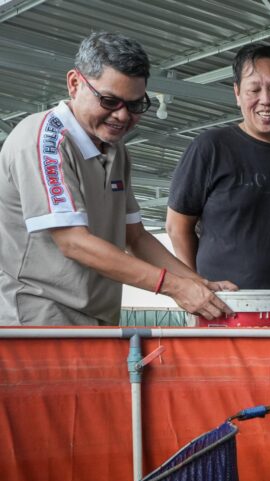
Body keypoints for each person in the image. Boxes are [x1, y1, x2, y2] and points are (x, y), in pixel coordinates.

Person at [0, 32, 234, 326]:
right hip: (40, 317)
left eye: (135, 105)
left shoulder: (115, 149)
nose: (122, 117)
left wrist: (200, 285)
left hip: (98, 318)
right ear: (74, 83)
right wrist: (173, 287)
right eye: (109, 101)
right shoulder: (45, 142)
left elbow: (134, 236)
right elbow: (73, 242)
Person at [166, 44, 270, 327]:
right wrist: (197, 284)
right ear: (237, 93)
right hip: (222, 309)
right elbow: (177, 226)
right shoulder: (210, 148)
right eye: (254, 89)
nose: (265, 100)